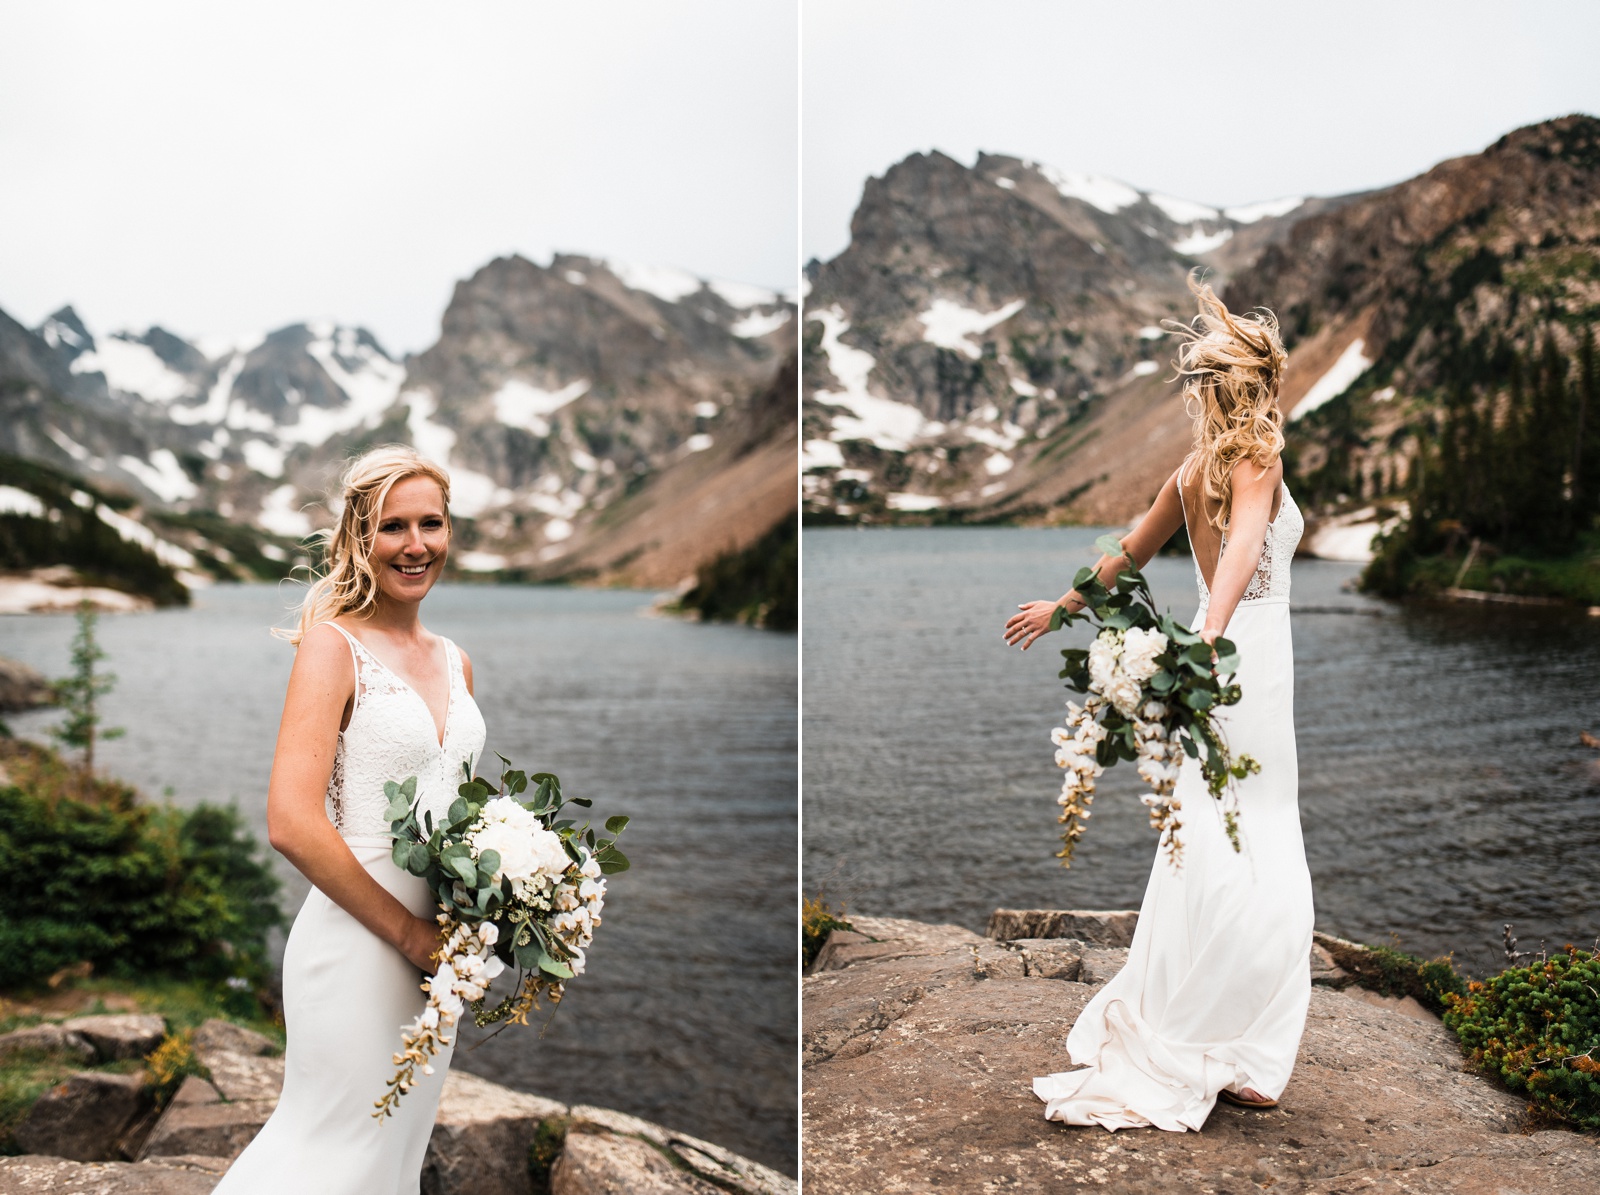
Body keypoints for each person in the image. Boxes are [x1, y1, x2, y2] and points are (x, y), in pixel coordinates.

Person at [1002, 277, 1313, 1130]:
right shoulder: (1257, 459)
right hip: (1242, 655)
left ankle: (1198, 1021)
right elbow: (1246, 546)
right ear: (1255, 387)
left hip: (1212, 648)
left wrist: (1060, 604)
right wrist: (1211, 638)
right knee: (1263, 832)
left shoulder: (1192, 471)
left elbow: (1126, 557)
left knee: (1208, 829)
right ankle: (1244, 1050)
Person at [215, 446, 485, 1192]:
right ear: (359, 538)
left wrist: (504, 900)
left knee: (389, 1160)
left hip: (437, 960)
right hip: (359, 945)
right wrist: (410, 935)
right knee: (325, 1153)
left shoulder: (456, 660)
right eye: (393, 526)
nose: (416, 544)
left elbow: (458, 817)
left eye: (431, 522)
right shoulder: (333, 647)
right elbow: (292, 822)